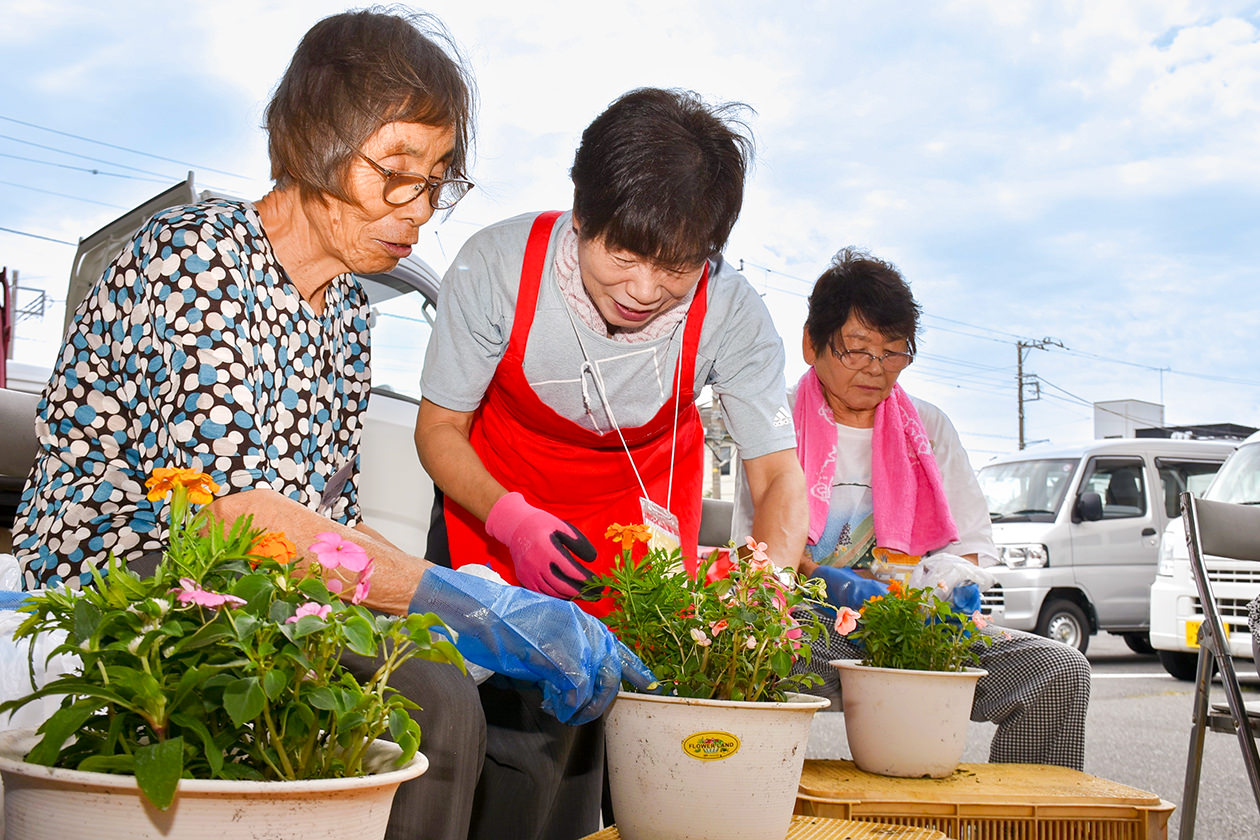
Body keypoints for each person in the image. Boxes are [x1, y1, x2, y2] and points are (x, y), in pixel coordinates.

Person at [11, 11, 652, 840]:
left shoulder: (346, 309)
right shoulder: (201, 258)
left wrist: (469, 603)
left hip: (271, 583)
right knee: (434, 692)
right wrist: (455, 605)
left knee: (547, 700)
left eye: (437, 180)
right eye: (397, 173)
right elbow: (234, 521)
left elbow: (326, 520)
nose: (420, 211)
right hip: (134, 581)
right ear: (314, 143)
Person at [414, 87, 808, 839]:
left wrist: (770, 587)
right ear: (581, 211)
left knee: (625, 732)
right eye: (623, 254)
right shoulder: (495, 267)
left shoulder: (733, 312)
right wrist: (510, 518)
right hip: (497, 510)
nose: (643, 290)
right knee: (504, 736)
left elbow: (779, 477)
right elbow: (438, 430)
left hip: (638, 535)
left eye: (678, 268)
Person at [735, 247, 1092, 770]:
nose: (876, 370)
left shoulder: (928, 427)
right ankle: (757, 809)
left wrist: (927, 597)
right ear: (812, 344)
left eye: (893, 352)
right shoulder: (776, 421)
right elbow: (757, 553)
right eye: (856, 350)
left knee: (1056, 671)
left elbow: (971, 547)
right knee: (745, 651)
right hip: (810, 623)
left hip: (914, 624)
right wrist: (825, 577)